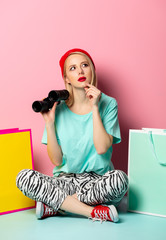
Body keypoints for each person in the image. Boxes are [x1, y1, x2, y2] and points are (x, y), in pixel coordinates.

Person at [16, 48, 129, 223]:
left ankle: (58, 207)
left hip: (96, 183)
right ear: (66, 78)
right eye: (73, 68)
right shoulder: (58, 109)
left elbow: (101, 148)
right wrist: (49, 123)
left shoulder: (108, 103)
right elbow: (57, 161)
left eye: (85, 65)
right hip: (64, 182)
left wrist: (95, 108)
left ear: (93, 70)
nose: (81, 71)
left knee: (120, 179)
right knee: (23, 177)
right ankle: (92, 212)